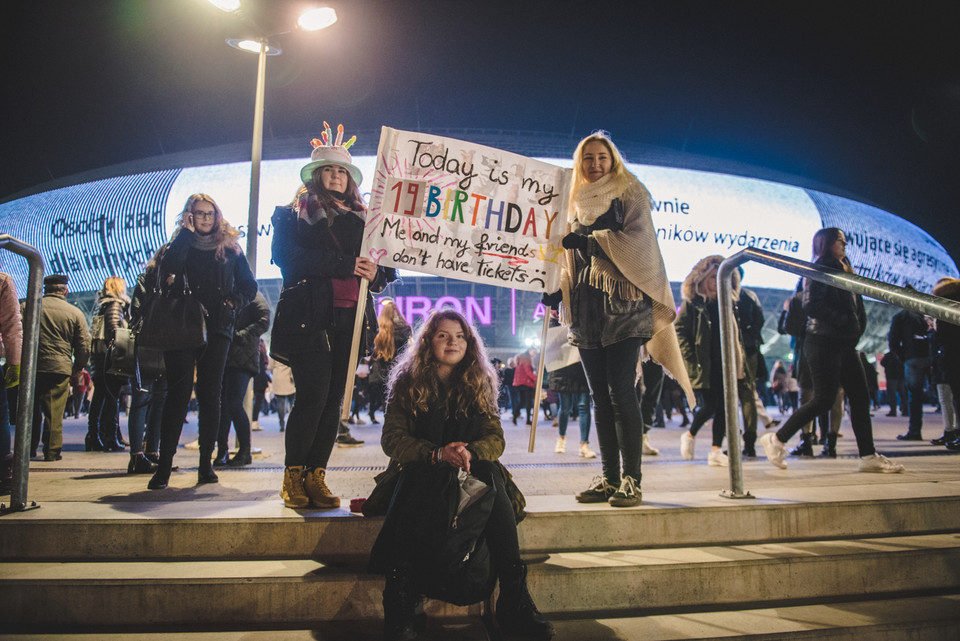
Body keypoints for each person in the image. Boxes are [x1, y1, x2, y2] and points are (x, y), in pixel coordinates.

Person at [366, 310, 553, 641]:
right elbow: (392, 440)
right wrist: (436, 453)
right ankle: (401, 599)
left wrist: (469, 452)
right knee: (415, 479)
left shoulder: (479, 381)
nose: (452, 342)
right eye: (443, 335)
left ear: (469, 343)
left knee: (490, 474)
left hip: (471, 470)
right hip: (421, 471)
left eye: (460, 336)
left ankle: (515, 598)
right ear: (428, 341)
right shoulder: (407, 382)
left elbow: (495, 439)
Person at [547, 132, 693, 508]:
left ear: (613, 161)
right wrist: (553, 288)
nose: (595, 164)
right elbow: (563, 256)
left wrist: (593, 243)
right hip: (585, 309)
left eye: (602, 157)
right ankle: (610, 478)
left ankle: (632, 481)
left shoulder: (631, 192)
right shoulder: (570, 201)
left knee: (621, 393)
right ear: (579, 163)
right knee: (599, 398)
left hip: (626, 307)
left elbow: (642, 245)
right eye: (588, 158)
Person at [270, 130, 393, 509]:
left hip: (352, 321)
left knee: (334, 402)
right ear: (315, 175)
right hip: (311, 317)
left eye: (344, 171)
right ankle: (293, 476)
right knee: (313, 397)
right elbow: (285, 257)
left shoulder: (369, 219)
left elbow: (385, 270)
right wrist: (344, 264)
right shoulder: (291, 214)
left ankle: (315, 476)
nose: (337, 176)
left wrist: (377, 273)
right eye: (330, 170)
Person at [759, 228, 904, 473]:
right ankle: (776, 439)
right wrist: (845, 323)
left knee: (859, 397)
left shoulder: (844, 268)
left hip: (844, 343)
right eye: (839, 239)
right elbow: (812, 306)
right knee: (824, 399)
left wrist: (855, 328)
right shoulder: (820, 268)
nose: (844, 242)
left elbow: (856, 306)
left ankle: (868, 456)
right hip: (824, 341)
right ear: (825, 242)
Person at [146, 193, 257, 490]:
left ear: (217, 216)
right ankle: (165, 467)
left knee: (210, 395)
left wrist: (232, 304)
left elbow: (249, 285)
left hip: (218, 328)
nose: (205, 218)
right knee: (177, 394)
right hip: (181, 325)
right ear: (188, 216)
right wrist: (186, 234)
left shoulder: (230, 249)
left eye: (210, 213)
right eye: (199, 213)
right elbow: (168, 270)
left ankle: (206, 464)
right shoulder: (177, 245)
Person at [676, 255, 745, 467]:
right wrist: (690, 356)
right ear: (702, 278)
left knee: (726, 406)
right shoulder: (693, 304)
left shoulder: (729, 303)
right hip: (706, 363)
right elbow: (679, 330)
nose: (716, 282)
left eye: (720, 277)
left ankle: (716, 450)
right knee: (711, 405)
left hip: (728, 362)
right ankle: (690, 434)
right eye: (712, 277)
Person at [32, 274, 90, 461]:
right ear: (65, 290)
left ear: (45, 290)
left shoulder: (28, 308)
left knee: (29, 411)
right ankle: (51, 451)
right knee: (54, 412)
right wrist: (78, 367)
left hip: (31, 368)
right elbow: (83, 345)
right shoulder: (75, 313)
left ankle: (28, 449)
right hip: (59, 368)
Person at [216, 292, 270, 467]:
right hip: (226, 355)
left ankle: (245, 451)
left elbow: (264, 319)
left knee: (233, 404)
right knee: (223, 406)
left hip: (243, 356)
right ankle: (222, 451)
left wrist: (241, 335)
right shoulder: (226, 290)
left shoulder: (251, 292)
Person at [86, 276, 132, 454]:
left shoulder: (102, 306)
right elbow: (116, 331)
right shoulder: (115, 305)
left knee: (99, 398)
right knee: (112, 399)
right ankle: (111, 438)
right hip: (111, 360)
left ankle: (94, 436)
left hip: (100, 359)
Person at [888, 297, 932, 440]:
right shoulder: (925, 316)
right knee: (945, 396)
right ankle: (951, 430)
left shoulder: (900, 317)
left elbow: (893, 341)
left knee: (915, 396)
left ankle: (915, 431)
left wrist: (903, 356)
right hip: (930, 357)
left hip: (912, 358)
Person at [369, 300, 412, 424]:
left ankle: (373, 415)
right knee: (395, 399)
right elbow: (405, 350)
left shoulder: (378, 330)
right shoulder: (404, 329)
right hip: (397, 369)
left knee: (378, 397)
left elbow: (372, 352)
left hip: (378, 370)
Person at [0, 270, 23, 492]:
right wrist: (15, 362)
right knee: (1, 413)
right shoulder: (3, 279)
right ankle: (4, 474)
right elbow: (11, 325)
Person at [931, 277, 960, 450]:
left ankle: (953, 431)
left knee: (953, 397)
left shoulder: (945, 304)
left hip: (952, 355)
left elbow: (941, 333)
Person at [268, 357, 296, 432]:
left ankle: (281, 424)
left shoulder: (277, 348)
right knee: (293, 403)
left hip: (279, 378)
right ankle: (293, 423)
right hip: (290, 378)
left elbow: (270, 366)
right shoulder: (292, 348)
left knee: (280, 402)